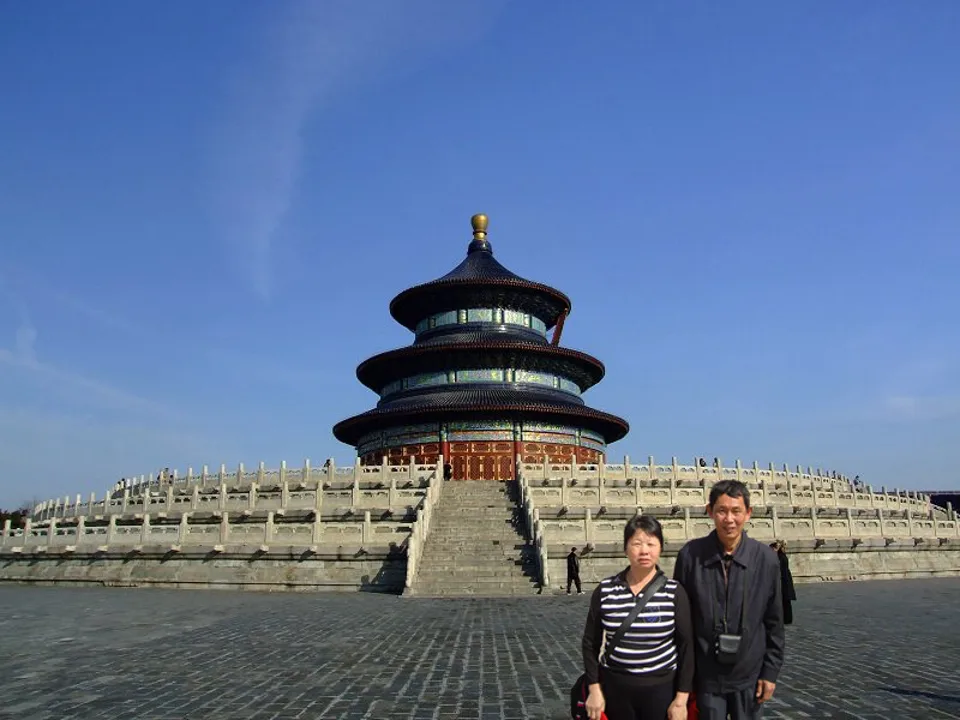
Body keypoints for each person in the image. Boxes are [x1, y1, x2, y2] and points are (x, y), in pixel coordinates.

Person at [673, 480, 784, 720]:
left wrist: (770, 672)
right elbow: (681, 623)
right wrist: (684, 680)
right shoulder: (690, 556)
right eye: (722, 511)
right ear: (710, 511)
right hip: (706, 676)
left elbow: (774, 621)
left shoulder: (765, 559)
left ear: (748, 513)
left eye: (736, 511)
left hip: (750, 675)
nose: (729, 519)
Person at [581, 515, 694, 720]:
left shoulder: (674, 592)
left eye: (651, 544)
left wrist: (681, 700)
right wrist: (594, 689)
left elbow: (687, 647)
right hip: (615, 688)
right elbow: (590, 643)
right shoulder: (605, 590)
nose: (644, 551)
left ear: (660, 548)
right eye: (637, 543)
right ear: (625, 548)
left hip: (661, 688)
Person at [769, 542, 796, 625]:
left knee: (784, 602)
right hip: (785, 582)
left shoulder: (779, 557)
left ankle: (785, 619)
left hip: (783, 582)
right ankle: (786, 619)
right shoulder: (782, 556)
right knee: (785, 602)